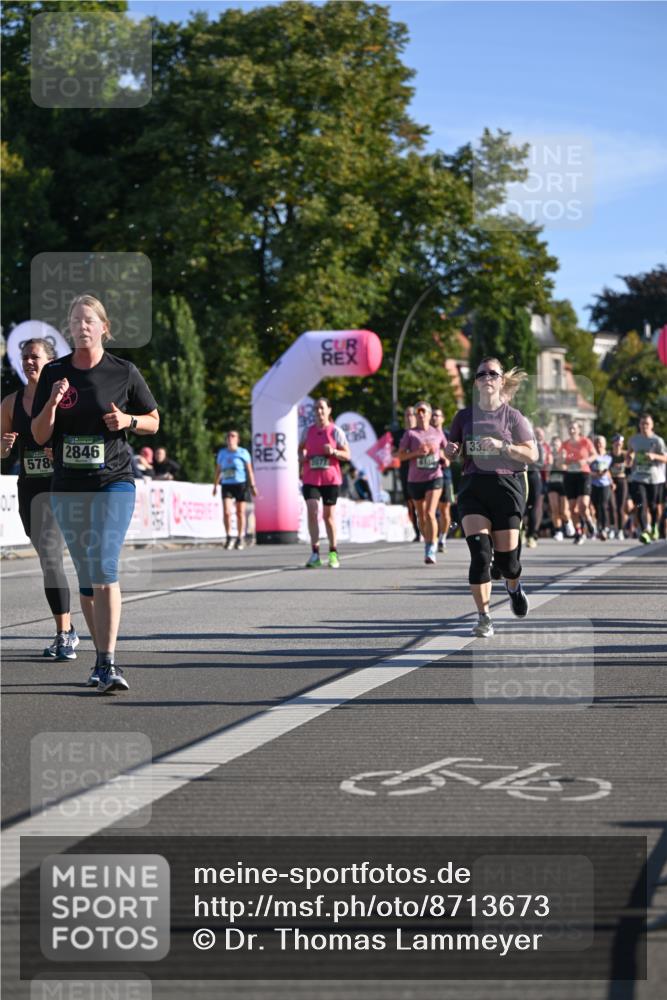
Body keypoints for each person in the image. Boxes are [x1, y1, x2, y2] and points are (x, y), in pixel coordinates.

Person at [31, 294, 159, 694]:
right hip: (68, 485)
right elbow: (38, 435)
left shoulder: (124, 371)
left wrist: (128, 419)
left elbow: (154, 421)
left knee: (104, 565)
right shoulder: (54, 372)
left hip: (113, 481)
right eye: (75, 320)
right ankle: (99, 659)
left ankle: (107, 662)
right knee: (87, 575)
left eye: (89, 320)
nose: (82, 326)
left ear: (104, 327)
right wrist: (51, 402)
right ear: (69, 328)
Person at [445, 357, 537, 638]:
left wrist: (503, 445)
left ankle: (513, 586)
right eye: (481, 373)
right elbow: (456, 449)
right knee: (480, 555)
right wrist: (451, 451)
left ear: (500, 381)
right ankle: (484, 617)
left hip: (506, 487)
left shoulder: (513, 417)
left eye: (492, 373)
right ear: (475, 381)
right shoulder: (463, 417)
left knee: (508, 564)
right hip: (473, 487)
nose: (487, 377)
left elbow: (533, 455)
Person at [1, 338, 78, 660]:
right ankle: (69, 629)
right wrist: (3, 446)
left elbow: (82, 437)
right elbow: (1, 452)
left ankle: (63, 633)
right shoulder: (9, 403)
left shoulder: (66, 399)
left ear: (50, 361)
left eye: (35, 356)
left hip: (63, 484)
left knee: (50, 554)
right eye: (24, 357)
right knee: (49, 560)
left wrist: (58, 450)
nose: (29, 362)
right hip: (30, 488)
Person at [299, 397, 350, 568]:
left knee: (328, 516)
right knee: (312, 511)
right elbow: (300, 451)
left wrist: (334, 451)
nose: (319, 412)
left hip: (330, 478)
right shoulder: (307, 431)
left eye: (322, 408)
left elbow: (347, 455)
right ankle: (315, 554)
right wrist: (303, 456)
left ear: (329, 410)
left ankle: (333, 552)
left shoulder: (336, 432)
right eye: (316, 409)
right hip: (311, 478)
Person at [398, 401, 447, 565]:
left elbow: (447, 453)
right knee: (421, 516)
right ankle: (428, 541)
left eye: (423, 411)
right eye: (418, 411)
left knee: (430, 513)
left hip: (435, 476)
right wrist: (417, 453)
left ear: (429, 414)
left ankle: (431, 547)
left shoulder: (437, 433)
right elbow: (400, 456)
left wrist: (444, 458)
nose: (420, 414)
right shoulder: (410, 434)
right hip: (415, 479)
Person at [213, 430, 258, 549]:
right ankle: (228, 537)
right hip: (227, 484)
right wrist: (215, 485)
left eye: (233, 436)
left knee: (239, 512)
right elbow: (218, 470)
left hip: (240, 484)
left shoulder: (243, 452)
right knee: (227, 512)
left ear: (237, 439)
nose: (230, 438)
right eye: (228, 436)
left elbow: (249, 470)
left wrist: (253, 486)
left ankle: (239, 537)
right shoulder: (222, 453)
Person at [627, 412, 667, 544]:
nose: (644, 426)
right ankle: (644, 531)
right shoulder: (634, 440)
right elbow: (630, 453)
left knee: (653, 506)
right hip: (638, 478)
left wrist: (655, 457)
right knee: (640, 505)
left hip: (655, 479)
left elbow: (665, 458)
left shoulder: (657, 441)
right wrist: (629, 458)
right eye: (642, 424)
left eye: (647, 424)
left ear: (652, 425)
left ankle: (654, 527)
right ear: (639, 425)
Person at [560, 421, 597, 545]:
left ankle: (589, 521)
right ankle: (579, 532)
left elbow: (594, 455)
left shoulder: (585, 441)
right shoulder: (565, 444)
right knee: (572, 508)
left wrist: (585, 460)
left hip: (583, 474)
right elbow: (560, 461)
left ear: (578, 430)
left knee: (583, 505)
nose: (572, 430)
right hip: (570, 476)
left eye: (574, 428)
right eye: (570, 428)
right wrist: (563, 460)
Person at [393, 406, 420, 541]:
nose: (409, 418)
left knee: (423, 503)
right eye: (406, 415)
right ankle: (417, 531)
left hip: (422, 471)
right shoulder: (398, 434)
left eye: (412, 415)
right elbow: (394, 453)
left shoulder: (422, 432)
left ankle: (429, 529)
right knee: (410, 504)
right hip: (405, 471)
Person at [430, 406, 454, 553]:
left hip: (445, 476)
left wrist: (444, 456)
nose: (434, 418)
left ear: (443, 419)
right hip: (429, 476)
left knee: (445, 510)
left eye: (438, 415)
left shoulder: (448, 435)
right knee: (431, 511)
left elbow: (453, 456)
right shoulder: (426, 434)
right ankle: (431, 538)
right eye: (433, 415)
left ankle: (442, 538)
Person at [523, 426, 548, 548]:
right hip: (521, 476)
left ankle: (531, 536)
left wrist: (529, 461)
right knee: (520, 506)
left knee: (533, 507)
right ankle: (521, 532)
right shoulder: (518, 443)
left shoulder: (537, 446)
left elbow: (541, 463)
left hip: (533, 476)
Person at [590, 436, 613, 540]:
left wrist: (611, 481)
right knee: (595, 506)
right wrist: (594, 474)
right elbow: (587, 469)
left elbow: (609, 471)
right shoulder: (592, 457)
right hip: (594, 484)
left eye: (600, 442)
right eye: (597, 442)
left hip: (605, 484)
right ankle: (599, 527)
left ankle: (605, 527)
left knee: (603, 505)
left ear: (605, 444)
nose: (599, 444)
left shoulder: (609, 457)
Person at [609, 433, 631, 539]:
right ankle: (613, 527)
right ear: (612, 444)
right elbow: (605, 470)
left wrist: (630, 458)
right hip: (611, 481)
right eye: (616, 443)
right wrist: (610, 482)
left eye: (620, 443)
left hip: (622, 480)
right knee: (612, 506)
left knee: (621, 507)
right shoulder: (609, 455)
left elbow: (630, 465)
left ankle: (621, 530)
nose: (618, 445)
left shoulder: (625, 454)